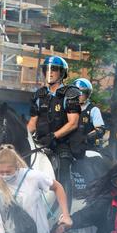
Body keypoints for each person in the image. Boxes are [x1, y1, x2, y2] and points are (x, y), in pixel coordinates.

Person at [26, 56, 81, 207]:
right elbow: (32, 123)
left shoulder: (70, 93)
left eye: (54, 69)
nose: (49, 73)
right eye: (47, 69)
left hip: (61, 143)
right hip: (40, 141)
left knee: (64, 166)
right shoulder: (38, 95)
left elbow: (73, 123)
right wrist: (25, 137)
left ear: (62, 73)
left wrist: (54, 136)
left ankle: (65, 214)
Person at [73, 78, 105, 151]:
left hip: (88, 147)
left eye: (82, 92)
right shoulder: (68, 109)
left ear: (87, 94)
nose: (78, 95)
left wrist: (86, 138)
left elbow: (100, 130)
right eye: (76, 92)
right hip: (70, 146)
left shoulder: (93, 110)